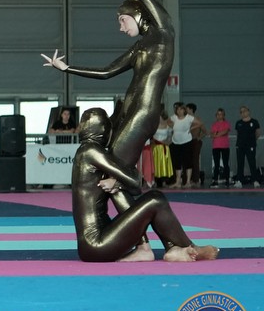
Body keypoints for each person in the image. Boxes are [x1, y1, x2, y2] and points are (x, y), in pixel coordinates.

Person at [42, 0, 173, 211]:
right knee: (110, 177)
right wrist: (67, 68)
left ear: (138, 13)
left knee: (115, 174)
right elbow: (106, 72)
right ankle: (138, 228)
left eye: (122, 20)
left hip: (143, 113)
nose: (121, 28)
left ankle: (144, 224)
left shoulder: (163, 30)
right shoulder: (138, 47)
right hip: (129, 112)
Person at [70, 108, 218, 263]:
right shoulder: (89, 151)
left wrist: (117, 183)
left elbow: (134, 185)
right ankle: (185, 247)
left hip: (98, 242)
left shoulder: (87, 152)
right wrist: (118, 181)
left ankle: (155, 248)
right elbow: (135, 181)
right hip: (96, 245)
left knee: (118, 190)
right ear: (103, 130)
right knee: (155, 199)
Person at [169, 102, 195, 188]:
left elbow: (200, 123)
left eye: (181, 109)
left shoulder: (189, 118)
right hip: (176, 143)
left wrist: (191, 128)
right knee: (177, 162)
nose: (179, 111)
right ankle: (178, 182)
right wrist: (172, 126)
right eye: (177, 109)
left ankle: (188, 182)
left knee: (188, 161)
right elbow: (167, 121)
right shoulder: (174, 117)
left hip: (186, 142)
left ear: (184, 110)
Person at [234, 106, 260, 187]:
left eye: (244, 111)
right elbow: (237, 134)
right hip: (240, 146)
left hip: (250, 146)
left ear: (248, 111)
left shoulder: (254, 122)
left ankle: (255, 180)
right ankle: (239, 181)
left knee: (252, 163)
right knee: (240, 163)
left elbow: (258, 133)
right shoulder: (238, 123)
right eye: (241, 112)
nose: (243, 113)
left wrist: (252, 141)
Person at [209, 107, 232, 188]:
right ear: (216, 115)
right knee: (216, 164)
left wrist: (217, 134)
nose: (219, 116)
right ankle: (215, 181)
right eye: (218, 114)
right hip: (216, 146)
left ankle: (227, 180)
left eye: (221, 114)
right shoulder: (214, 124)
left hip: (225, 146)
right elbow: (211, 134)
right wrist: (216, 134)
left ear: (223, 115)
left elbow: (225, 131)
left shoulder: (226, 123)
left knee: (226, 164)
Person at [151, 113, 173, 187]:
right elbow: (150, 137)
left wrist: (167, 142)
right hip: (156, 148)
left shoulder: (168, 126)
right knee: (155, 164)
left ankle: (164, 181)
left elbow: (170, 137)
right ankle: (155, 181)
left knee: (164, 164)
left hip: (164, 148)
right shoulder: (154, 126)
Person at [187, 103, 206, 187]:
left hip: (195, 141)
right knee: (188, 160)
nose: (186, 110)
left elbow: (205, 131)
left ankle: (196, 180)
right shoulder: (186, 119)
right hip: (187, 141)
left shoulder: (197, 119)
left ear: (191, 109)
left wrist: (199, 138)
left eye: (187, 109)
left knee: (195, 160)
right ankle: (188, 179)